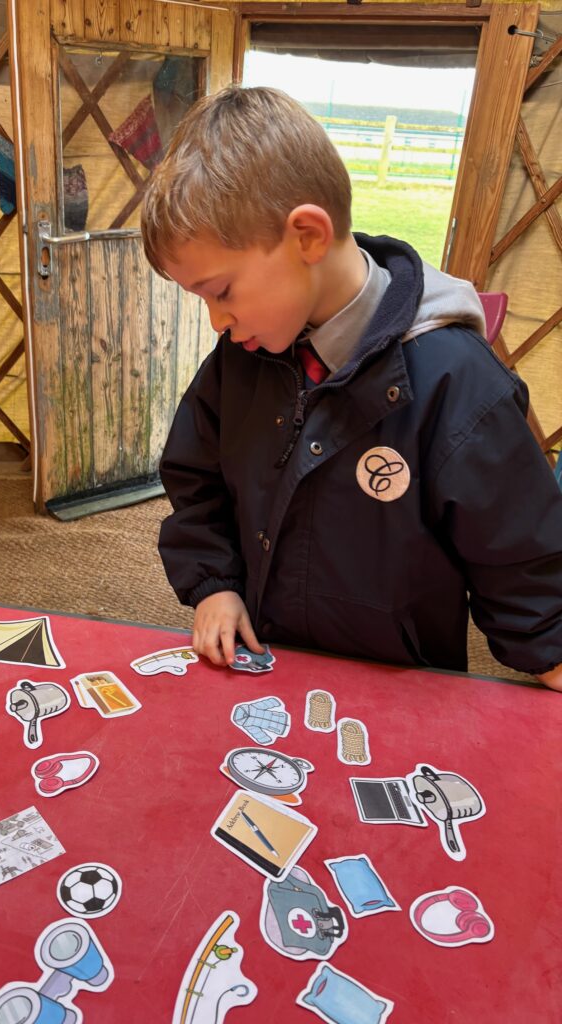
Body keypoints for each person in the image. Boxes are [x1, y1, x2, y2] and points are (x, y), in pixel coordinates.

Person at [140, 86, 562, 691]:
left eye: (221, 291)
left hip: (405, 690)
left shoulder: (455, 381)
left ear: (308, 236)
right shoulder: (243, 358)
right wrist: (215, 585)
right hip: (269, 668)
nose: (216, 322)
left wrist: (550, 650)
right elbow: (196, 479)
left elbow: (521, 555)